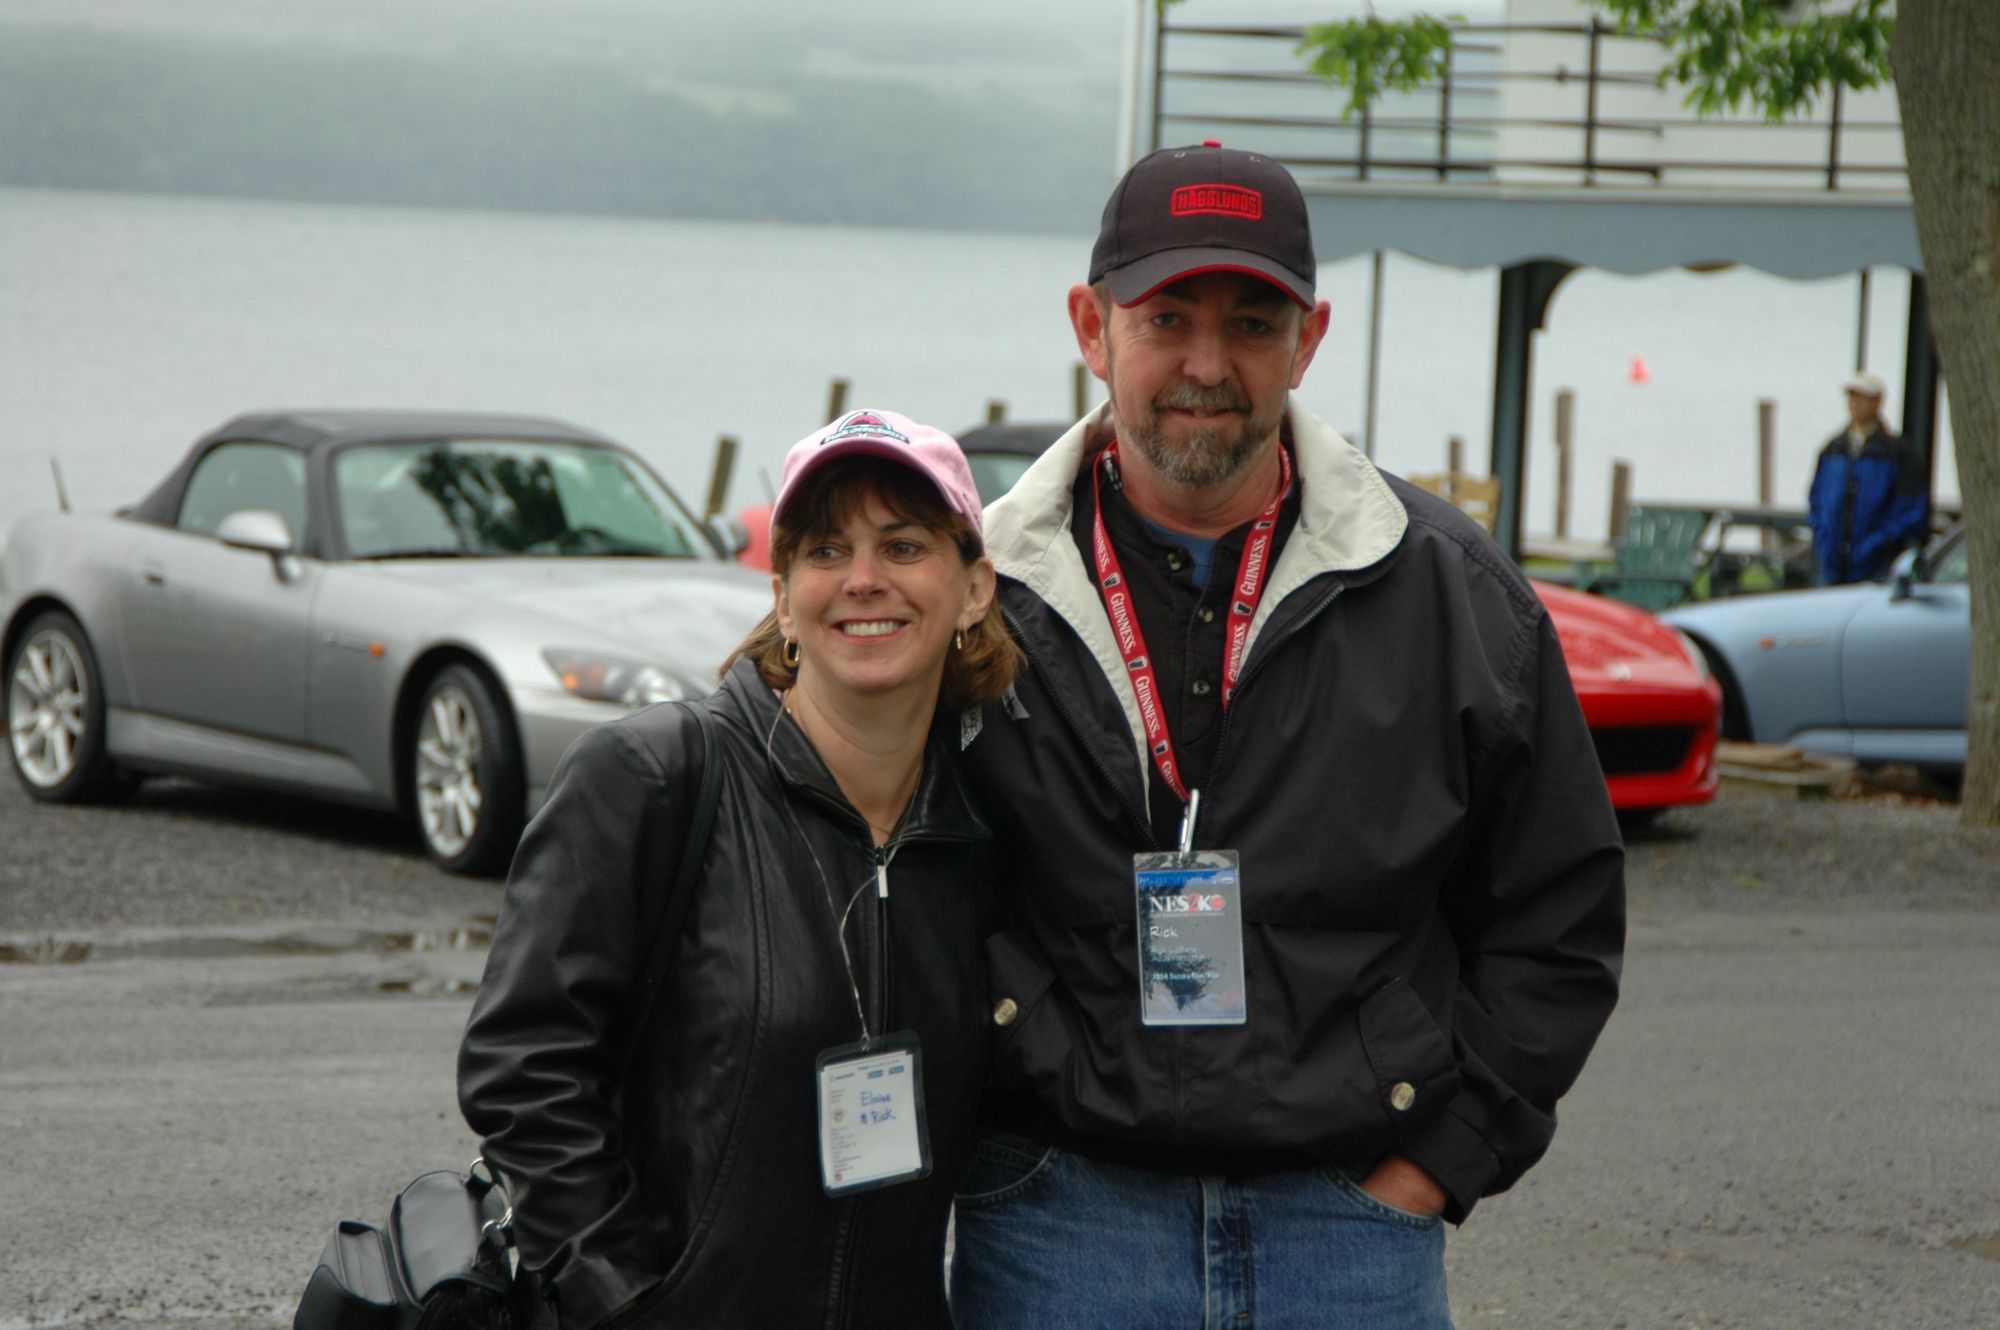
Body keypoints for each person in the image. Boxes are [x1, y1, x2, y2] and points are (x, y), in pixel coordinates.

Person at [948, 142, 1626, 1328]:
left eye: (1251, 324)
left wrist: (1438, 1161)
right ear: (1090, 326)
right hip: (1059, 1220)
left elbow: (1558, 910)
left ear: (1307, 340)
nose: (1207, 366)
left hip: (1349, 1230)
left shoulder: (1450, 594)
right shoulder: (976, 592)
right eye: (1166, 319)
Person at [458, 408, 1022, 1329]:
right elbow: (524, 1069)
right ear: (785, 596)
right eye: (826, 550)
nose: (864, 579)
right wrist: (618, 1300)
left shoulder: (979, 830)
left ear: (973, 590)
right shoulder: (655, 777)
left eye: (904, 545)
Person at [1807, 371, 1929, 584]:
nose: (1855, 403)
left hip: (1877, 566)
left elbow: (1911, 510)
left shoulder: (1899, 452)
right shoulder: (1833, 449)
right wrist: (1823, 541)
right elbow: (1816, 500)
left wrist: (1878, 543)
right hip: (1830, 564)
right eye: (1851, 397)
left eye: (1862, 397)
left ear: (1878, 401)